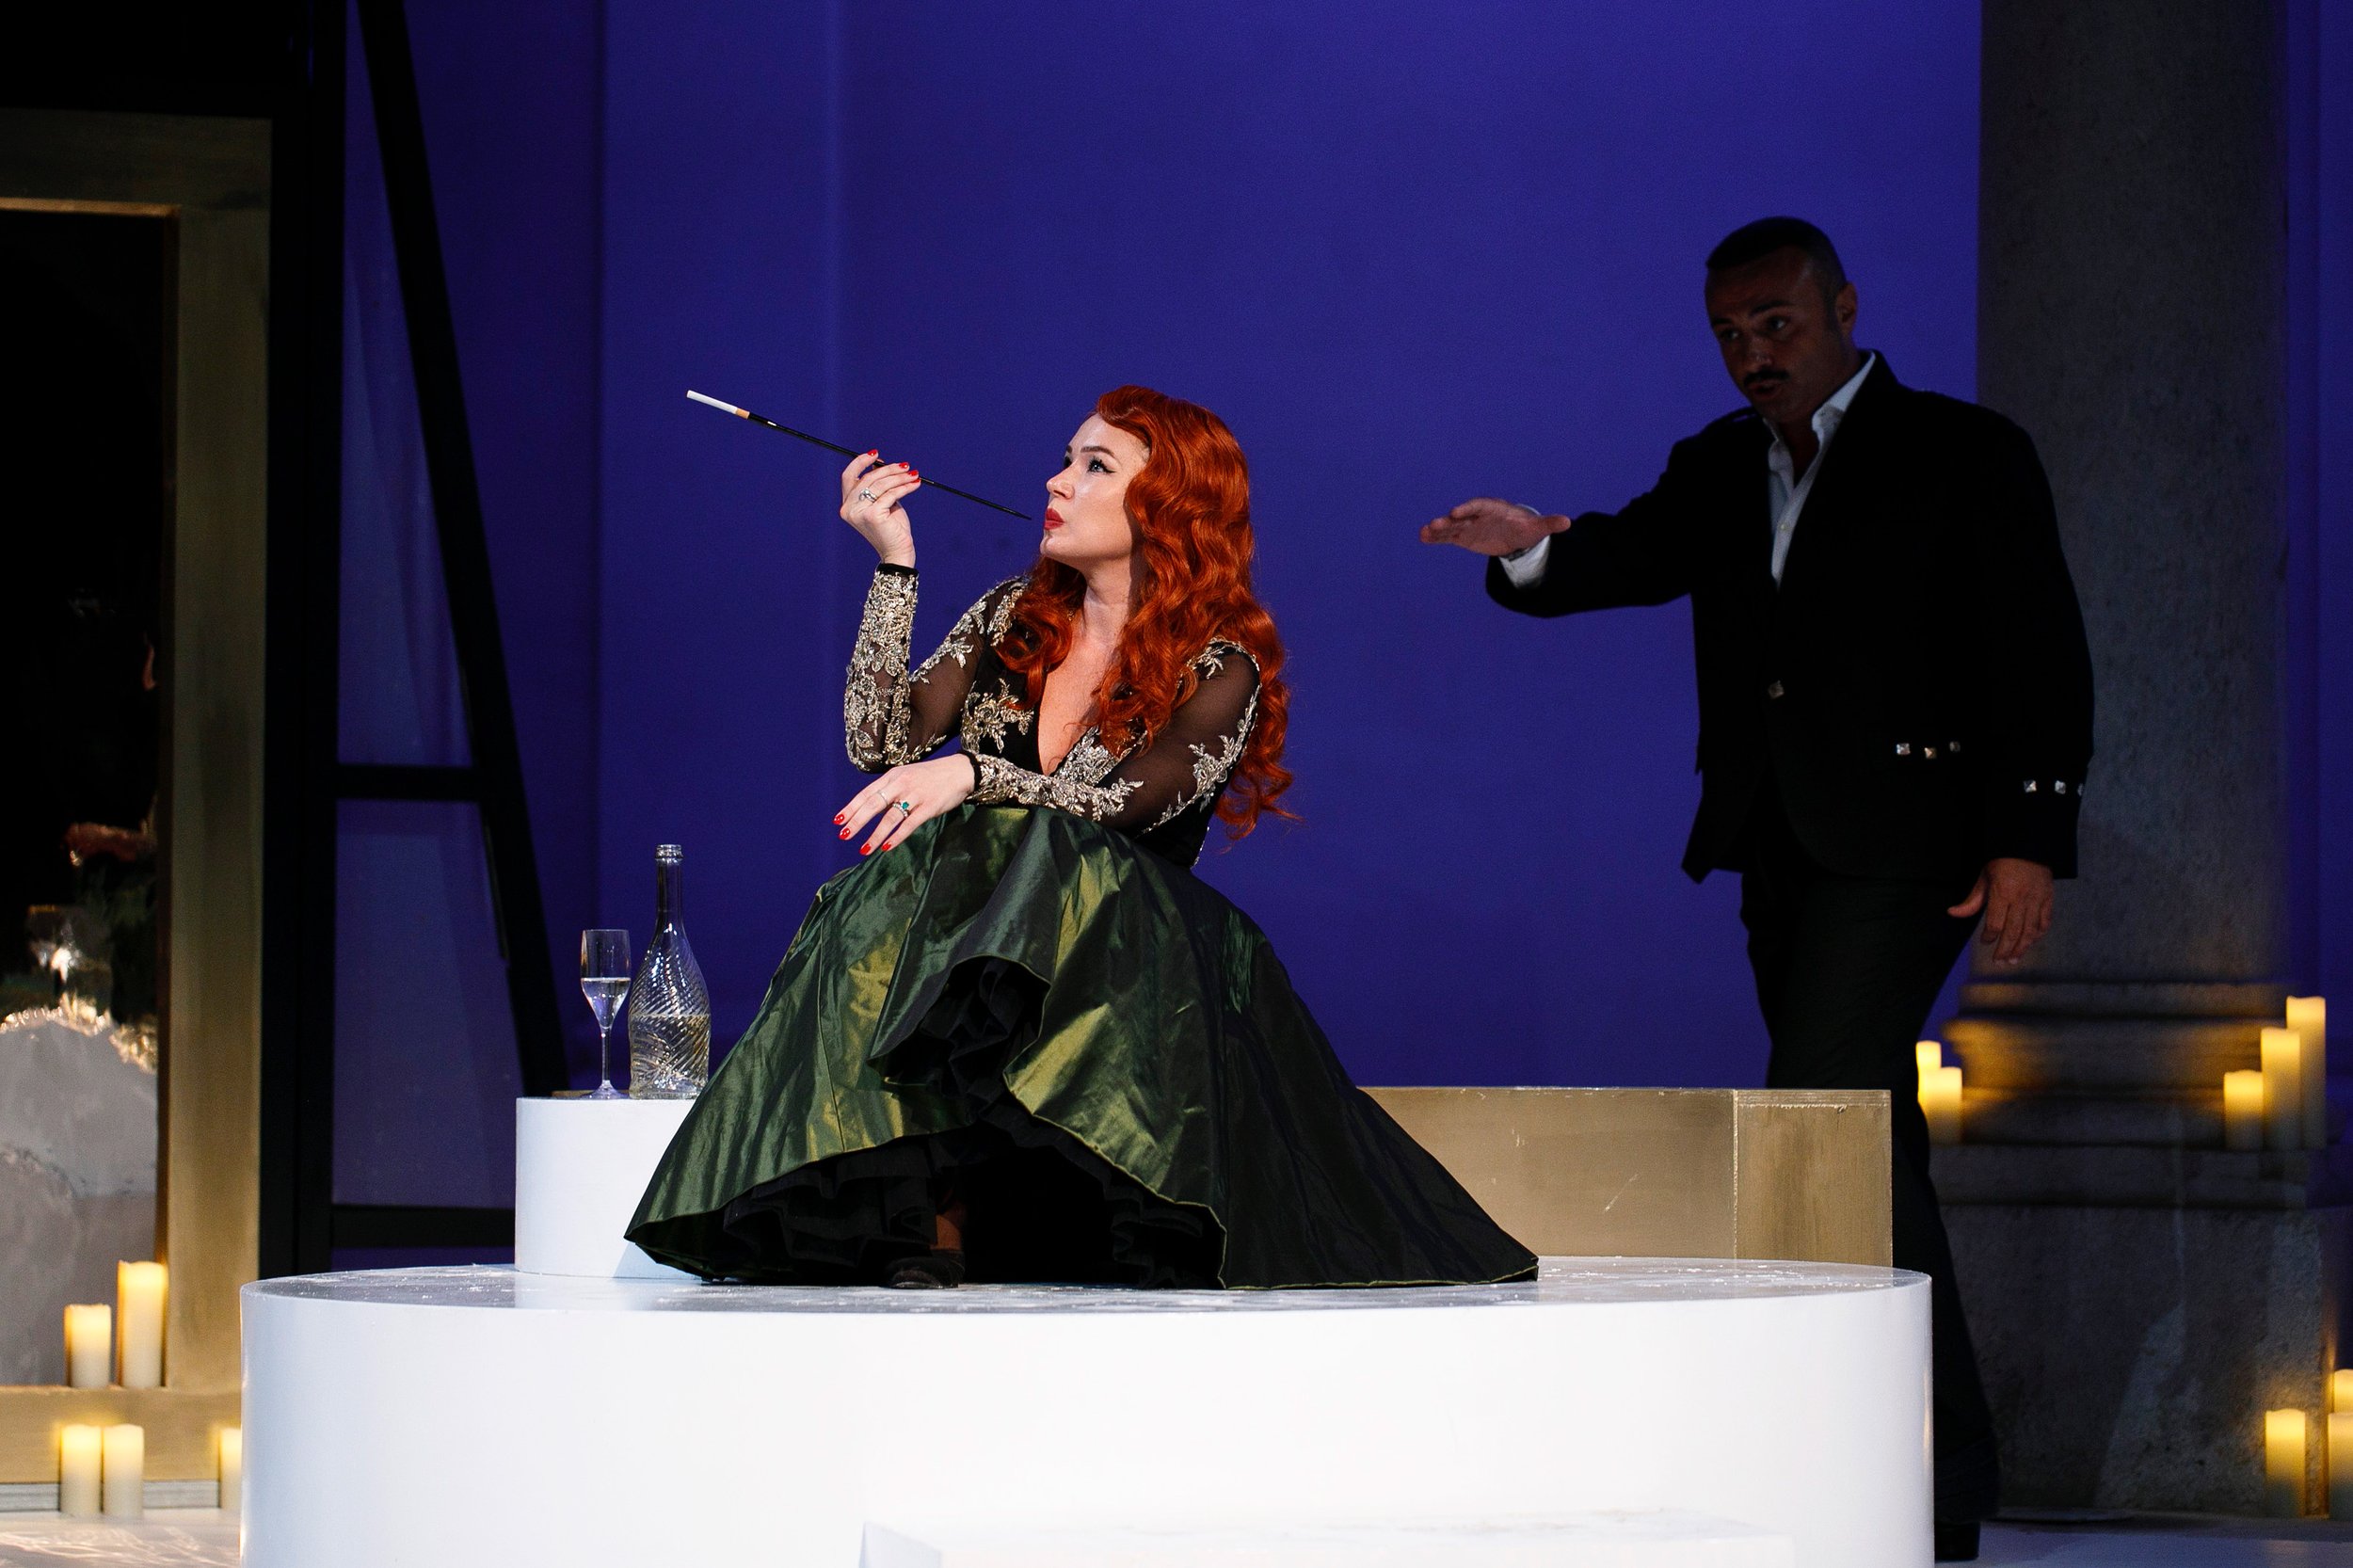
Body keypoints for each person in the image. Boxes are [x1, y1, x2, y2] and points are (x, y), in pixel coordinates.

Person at [1420, 218, 2093, 1560]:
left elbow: (2038, 650)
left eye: (1776, 325)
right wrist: (1529, 547)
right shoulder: (1721, 463)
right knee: (1862, 1136)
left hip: (1909, 846)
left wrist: (2027, 835)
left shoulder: (1961, 451)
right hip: (1775, 842)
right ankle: (1932, 1473)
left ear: (1843, 307)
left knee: (1817, 1117)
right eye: (1729, 334)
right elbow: (1624, 556)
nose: (1752, 355)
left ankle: (1902, 1466)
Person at [630, 384, 1535, 1292]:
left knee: (1040, 849)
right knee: (891, 880)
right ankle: (925, 1212)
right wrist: (894, 566)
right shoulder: (1012, 615)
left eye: (1095, 466)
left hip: (1131, 957)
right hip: (985, 946)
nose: (1057, 482)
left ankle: (1033, 1195)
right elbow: (882, 744)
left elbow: (1123, 809)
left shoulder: (1220, 664)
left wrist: (975, 775)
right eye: (1065, 459)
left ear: (1170, 504)